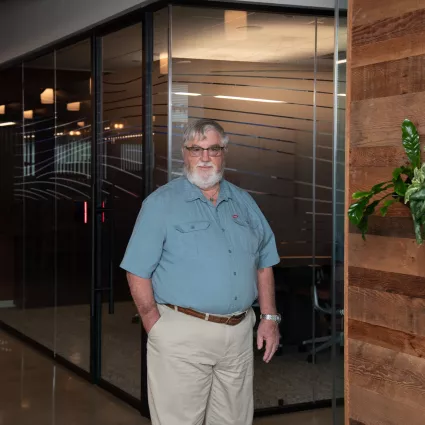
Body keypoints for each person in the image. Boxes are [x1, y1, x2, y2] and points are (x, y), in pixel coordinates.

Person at [120, 118, 281, 425]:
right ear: (185, 153)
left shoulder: (244, 202)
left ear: (225, 153)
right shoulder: (161, 204)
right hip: (181, 335)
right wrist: (154, 324)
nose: (205, 158)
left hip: (237, 335)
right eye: (197, 149)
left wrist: (269, 318)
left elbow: (264, 260)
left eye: (213, 149)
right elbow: (137, 271)